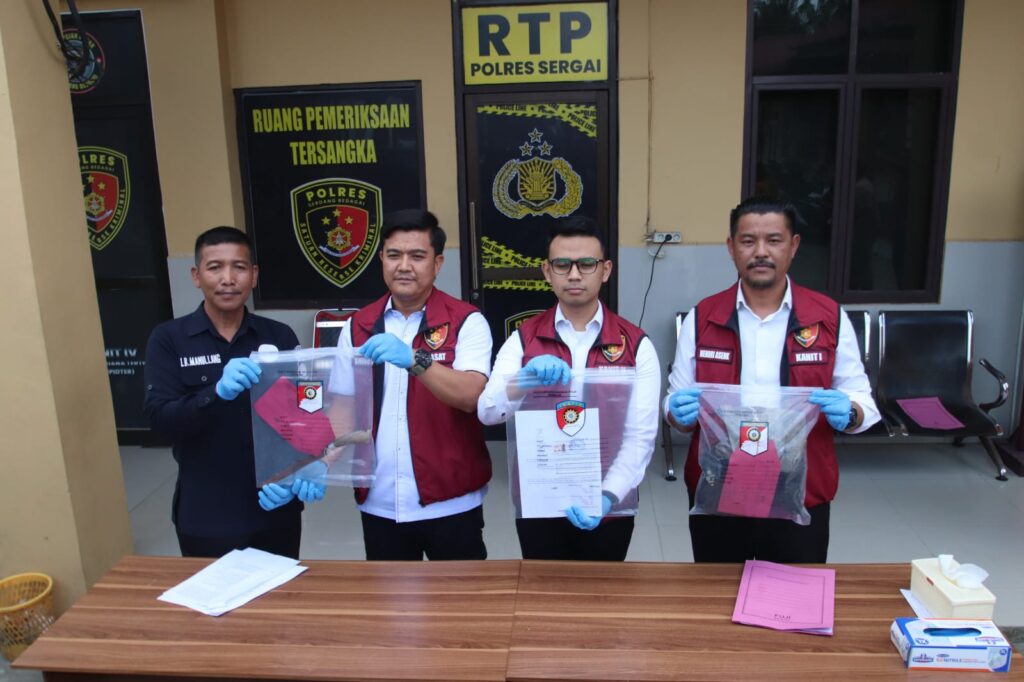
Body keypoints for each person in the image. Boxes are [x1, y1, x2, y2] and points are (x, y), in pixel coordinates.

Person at [665, 196, 880, 564]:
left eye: (774, 240)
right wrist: (676, 413)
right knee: (717, 590)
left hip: (801, 489)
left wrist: (851, 412)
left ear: (793, 246)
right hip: (720, 488)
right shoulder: (703, 317)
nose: (761, 252)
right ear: (731, 248)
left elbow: (863, 401)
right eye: (748, 241)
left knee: (793, 592)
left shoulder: (828, 318)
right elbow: (675, 401)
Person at [315, 209, 494, 560]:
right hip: (379, 502)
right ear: (382, 259)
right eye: (394, 255)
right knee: (389, 595)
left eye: (417, 256)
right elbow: (344, 411)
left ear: (437, 263)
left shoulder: (466, 321)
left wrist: (416, 360)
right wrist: (319, 462)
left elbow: (470, 395)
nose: (404, 266)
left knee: (461, 595)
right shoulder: (358, 325)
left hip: (452, 501)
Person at [478, 218, 661, 561]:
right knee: (543, 587)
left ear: (605, 270)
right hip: (540, 498)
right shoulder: (523, 340)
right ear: (547, 272)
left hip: (610, 503)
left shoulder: (636, 345)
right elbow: (488, 411)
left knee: (602, 587)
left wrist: (608, 496)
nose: (574, 275)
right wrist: (522, 381)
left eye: (586, 264)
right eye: (562, 264)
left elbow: (640, 436)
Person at [144, 226, 312, 558]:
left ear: (254, 275)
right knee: (212, 592)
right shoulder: (169, 339)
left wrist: (305, 467)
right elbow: (161, 420)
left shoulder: (279, 336)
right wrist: (215, 393)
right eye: (215, 267)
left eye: (239, 267)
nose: (228, 279)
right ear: (196, 276)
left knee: (281, 589)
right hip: (206, 512)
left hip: (274, 505)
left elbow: (304, 416)